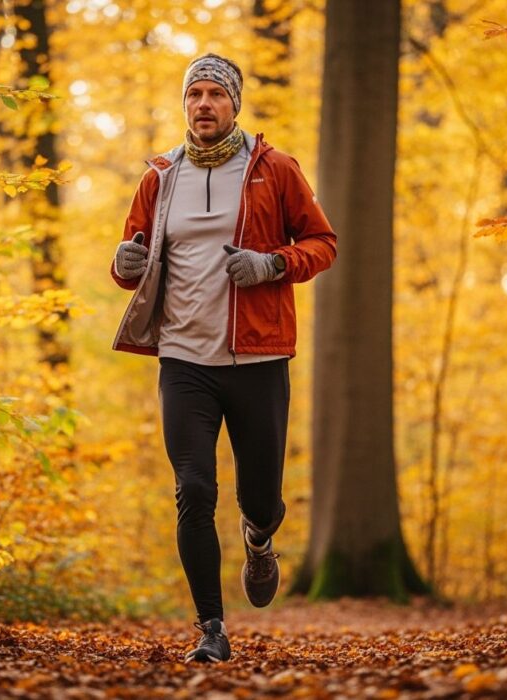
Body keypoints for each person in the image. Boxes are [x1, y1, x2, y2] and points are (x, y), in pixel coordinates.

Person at [110, 53, 336, 663]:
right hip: (183, 360)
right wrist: (123, 265)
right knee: (192, 488)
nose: (203, 103)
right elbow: (129, 254)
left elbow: (323, 242)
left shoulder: (275, 169)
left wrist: (274, 264)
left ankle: (260, 539)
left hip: (258, 359)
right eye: (194, 94)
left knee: (260, 497)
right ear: (184, 105)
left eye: (215, 93)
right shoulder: (160, 178)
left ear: (235, 104)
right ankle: (211, 628)